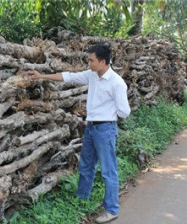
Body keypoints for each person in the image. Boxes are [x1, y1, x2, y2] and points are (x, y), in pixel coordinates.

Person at [27, 44, 131, 224]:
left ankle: (112, 209)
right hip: (91, 128)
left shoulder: (116, 83)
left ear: (103, 61)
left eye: (91, 60)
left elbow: (124, 112)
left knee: (108, 171)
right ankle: (81, 199)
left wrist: (108, 114)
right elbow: (68, 77)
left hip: (105, 129)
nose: (88, 63)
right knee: (86, 165)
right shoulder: (92, 75)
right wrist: (41, 76)